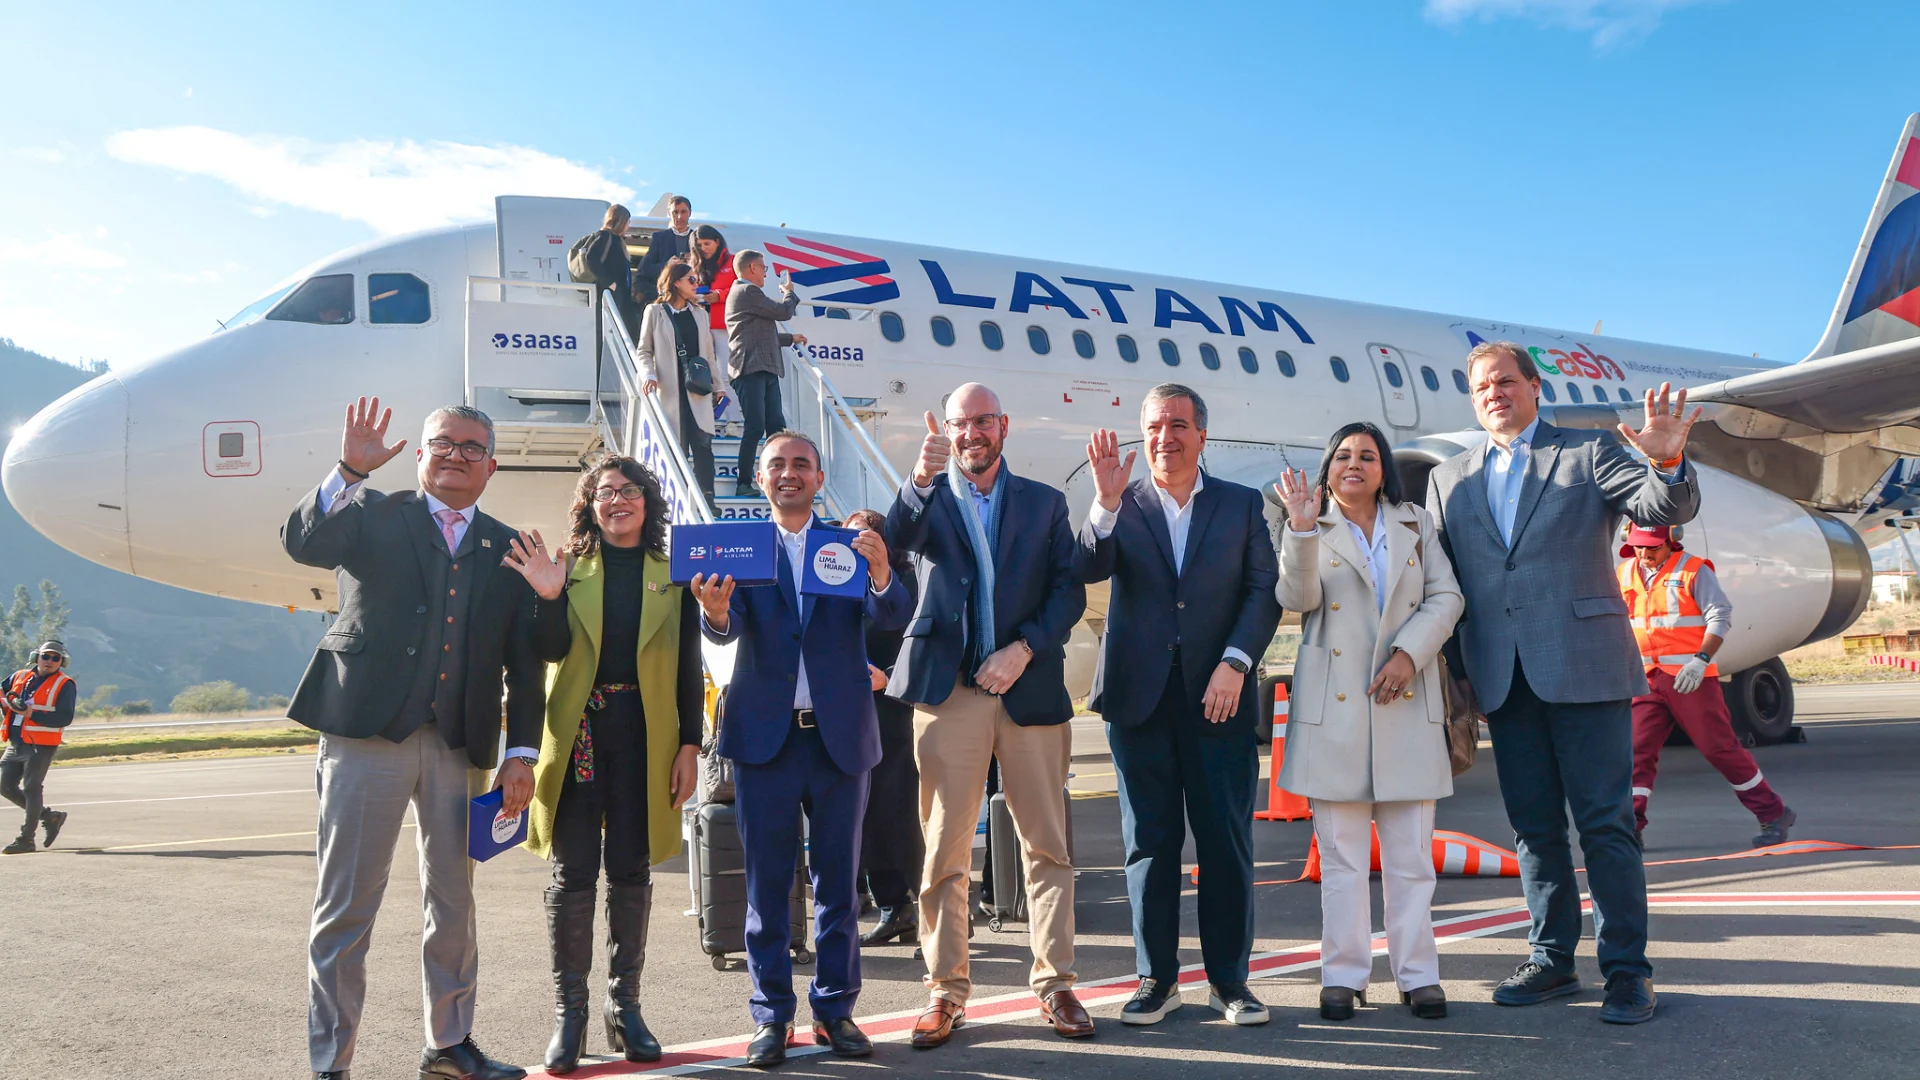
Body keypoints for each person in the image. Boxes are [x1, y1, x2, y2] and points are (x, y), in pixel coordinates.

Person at [1426, 340, 1702, 1027]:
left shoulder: (1589, 452)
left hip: (1584, 664)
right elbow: (1438, 578)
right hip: (1501, 673)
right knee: (1533, 831)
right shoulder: (1448, 478)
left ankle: (1628, 973)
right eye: (1482, 386)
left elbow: (1661, 508)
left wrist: (1665, 458)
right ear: (1472, 399)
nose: (1495, 393)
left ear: (1534, 388)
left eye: (1506, 381)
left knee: (1606, 824)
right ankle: (1552, 959)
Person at [283, 397, 543, 1080]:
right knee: (346, 908)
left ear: (490, 465)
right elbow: (303, 543)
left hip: (458, 746)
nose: (455, 454)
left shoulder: (506, 546)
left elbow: (525, 660)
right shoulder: (371, 514)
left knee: (454, 902)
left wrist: (522, 753)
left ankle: (449, 1046)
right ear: (421, 455)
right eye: (442, 443)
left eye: (470, 446)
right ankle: (330, 1064)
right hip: (365, 735)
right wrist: (347, 471)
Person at [690, 431, 909, 1068]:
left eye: (801, 465)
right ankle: (771, 1016)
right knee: (765, 886)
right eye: (777, 465)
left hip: (839, 739)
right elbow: (722, 631)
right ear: (760, 479)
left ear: (818, 478)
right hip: (767, 741)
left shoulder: (844, 546)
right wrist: (717, 613)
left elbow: (890, 616)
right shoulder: (741, 549)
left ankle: (836, 1010)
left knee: (838, 885)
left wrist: (882, 573)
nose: (789, 474)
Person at [884, 383, 1093, 1047]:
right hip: (951, 697)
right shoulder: (930, 498)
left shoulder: (1045, 503)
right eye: (960, 423)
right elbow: (895, 540)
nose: (972, 433)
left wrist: (1023, 649)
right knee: (945, 852)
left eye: (982, 421)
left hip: (1027, 692)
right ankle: (945, 992)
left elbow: (1067, 592)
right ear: (946, 430)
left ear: (1003, 427)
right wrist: (919, 475)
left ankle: (1056, 984)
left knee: (1048, 845)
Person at [1073, 385, 1281, 1026]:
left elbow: (1263, 592)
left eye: (1180, 425)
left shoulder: (1243, 505)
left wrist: (1235, 663)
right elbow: (1086, 566)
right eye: (1156, 426)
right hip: (1140, 701)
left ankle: (1230, 982)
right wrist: (1104, 505)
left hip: (1219, 697)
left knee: (1225, 842)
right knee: (1149, 846)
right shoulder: (1119, 502)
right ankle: (1156, 980)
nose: (1167, 436)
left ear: (1202, 435)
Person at [500, 458, 704, 1073]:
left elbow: (690, 665)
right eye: (604, 492)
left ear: (648, 502)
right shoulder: (566, 571)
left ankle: (626, 1008)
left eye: (629, 491)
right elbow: (548, 652)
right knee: (575, 872)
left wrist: (691, 744)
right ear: (590, 505)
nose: (617, 500)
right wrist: (547, 599)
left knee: (631, 870)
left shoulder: (674, 575)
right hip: (580, 735)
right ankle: (571, 1014)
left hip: (645, 735)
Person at [1274, 423, 1464, 1023]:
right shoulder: (1308, 525)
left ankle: (1418, 976)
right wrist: (1301, 529)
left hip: (1405, 700)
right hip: (1337, 710)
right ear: (1329, 467)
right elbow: (1296, 598)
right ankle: (1343, 976)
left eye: (1368, 456)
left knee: (1411, 859)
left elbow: (1447, 597)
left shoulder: (1415, 523)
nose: (1354, 464)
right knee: (1343, 861)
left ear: (1384, 470)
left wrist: (1410, 653)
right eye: (1343, 456)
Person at [1617, 524, 1795, 846]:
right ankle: (1632, 827)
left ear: (1672, 541)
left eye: (1652, 547)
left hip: (1689, 678)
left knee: (1719, 749)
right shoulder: (1625, 572)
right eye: (1638, 546)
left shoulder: (1693, 570)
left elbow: (1720, 614)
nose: (1644, 554)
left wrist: (1700, 660)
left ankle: (1772, 813)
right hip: (1646, 677)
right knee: (1635, 752)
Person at [842, 507, 924, 948]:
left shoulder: (903, 583)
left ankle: (938, 912)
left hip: (894, 711)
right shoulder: (836, 583)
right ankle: (894, 908)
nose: (860, 544)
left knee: (903, 816)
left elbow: (918, 639)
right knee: (869, 818)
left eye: (869, 536)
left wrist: (890, 677)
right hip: (850, 715)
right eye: (852, 537)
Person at [638, 262, 732, 501]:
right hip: (670, 388)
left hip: (698, 387)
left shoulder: (700, 315)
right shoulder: (655, 312)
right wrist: (649, 374)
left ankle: (707, 500)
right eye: (691, 280)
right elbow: (644, 350)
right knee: (675, 447)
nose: (696, 284)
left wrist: (719, 387)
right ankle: (672, 498)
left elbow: (709, 356)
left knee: (703, 445)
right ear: (675, 282)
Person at [725, 250, 808, 497]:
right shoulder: (746, 291)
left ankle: (777, 476)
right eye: (763, 268)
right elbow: (782, 312)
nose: (765, 273)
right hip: (751, 367)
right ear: (751, 267)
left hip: (763, 367)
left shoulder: (745, 293)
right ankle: (743, 482)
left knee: (776, 427)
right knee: (756, 426)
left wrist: (789, 338)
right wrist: (789, 293)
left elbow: (757, 331)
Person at [1, 640, 75, 854]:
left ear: (62, 662)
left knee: (32, 788)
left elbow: (65, 717)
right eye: (46, 656)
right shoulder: (20, 676)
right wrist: (7, 708)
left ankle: (26, 839)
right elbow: (2, 691)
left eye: (55, 658)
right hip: (17, 743)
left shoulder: (64, 684)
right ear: (37, 657)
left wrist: (31, 714)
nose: (50, 661)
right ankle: (49, 817)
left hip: (40, 745)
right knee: (4, 786)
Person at [578, 204, 638, 342]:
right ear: (620, 221)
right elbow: (591, 258)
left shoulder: (617, 240)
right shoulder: (605, 236)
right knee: (608, 332)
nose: (628, 226)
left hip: (620, 296)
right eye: (627, 222)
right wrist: (610, 283)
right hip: (611, 294)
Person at [693, 224, 738, 380]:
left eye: (707, 243)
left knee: (724, 375)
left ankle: (730, 405)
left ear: (717, 242)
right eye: (699, 245)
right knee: (702, 375)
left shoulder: (733, 261)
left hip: (723, 326)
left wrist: (720, 295)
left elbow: (743, 289)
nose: (703, 248)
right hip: (700, 325)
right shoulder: (696, 265)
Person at [634, 195, 695, 306]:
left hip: (691, 303)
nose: (680, 216)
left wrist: (694, 262)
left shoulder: (698, 239)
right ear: (669, 213)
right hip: (665, 303)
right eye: (675, 212)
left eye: (683, 212)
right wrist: (666, 265)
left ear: (690, 213)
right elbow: (642, 274)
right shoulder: (659, 238)